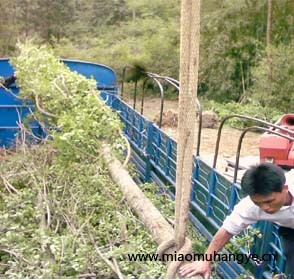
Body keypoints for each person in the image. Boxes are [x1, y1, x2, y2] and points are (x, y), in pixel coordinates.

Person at [180, 163, 294, 278]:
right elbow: (227, 230)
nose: (265, 208)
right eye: (258, 203)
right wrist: (205, 261)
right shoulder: (250, 206)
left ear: (285, 189)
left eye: (269, 201)